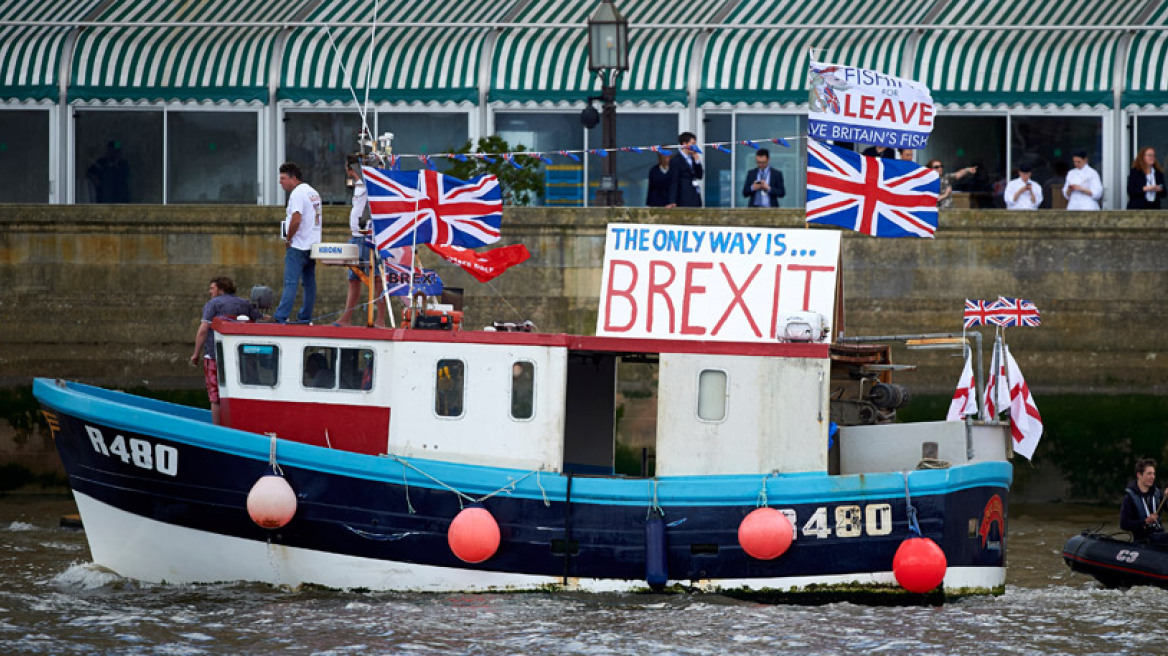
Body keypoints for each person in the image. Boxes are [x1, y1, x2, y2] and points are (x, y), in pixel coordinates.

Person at [189, 276, 260, 424]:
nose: (210, 292)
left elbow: (203, 330)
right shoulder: (244, 303)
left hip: (214, 355)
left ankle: (217, 430)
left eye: (212, 288)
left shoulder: (213, 304)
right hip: (240, 359)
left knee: (215, 397)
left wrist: (196, 353)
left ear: (220, 289)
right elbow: (260, 320)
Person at [338, 155, 385, 327]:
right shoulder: (358, 186)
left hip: (369, 235)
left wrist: (370, 159)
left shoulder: (368, 183)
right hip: (356, 235)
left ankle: (380, 319)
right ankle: (346, 318)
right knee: (353, 278)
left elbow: (377, 171)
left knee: (377, 279)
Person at [273, 162, 323, 324]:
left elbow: (296, 218)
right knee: (309, 284)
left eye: (283, 178)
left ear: (293, 178)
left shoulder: (297, 194)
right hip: (312, 245)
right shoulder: (313, 192)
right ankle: (305, 317)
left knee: (291, 282)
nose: (280, 182)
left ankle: (281, 316)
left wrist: (289, 238)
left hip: (298, 244)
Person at [1120, 458, 1164, 542]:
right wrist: (1145, 521)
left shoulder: (1157, 493)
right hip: (1142, 540)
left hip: (1159, 536)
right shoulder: (1129, 498)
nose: (1153, 477)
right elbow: (1124, 524)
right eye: (1149, 474)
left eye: (1154, 474)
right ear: (1139, 475)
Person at [666, 132, 703, 208]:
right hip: (683, 197)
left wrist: (697, 160)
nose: (694, 146)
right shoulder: (676, 160)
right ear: (684, 144)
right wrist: (672, 200)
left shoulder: (692, 158)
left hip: (694, 196)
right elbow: (673, 181)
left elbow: (699, 175)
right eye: (692, 143)